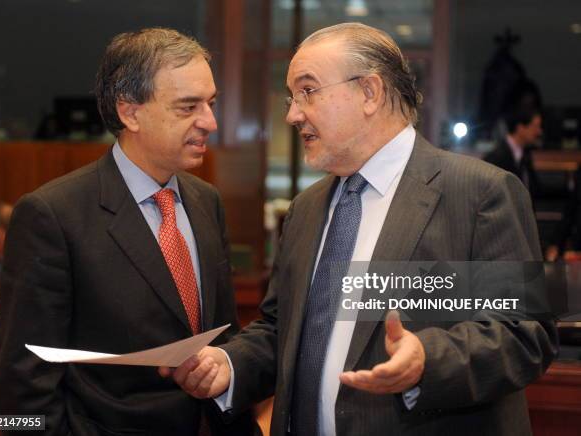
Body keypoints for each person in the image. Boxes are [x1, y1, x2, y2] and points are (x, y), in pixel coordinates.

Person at [170, 23, 558, 435]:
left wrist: (427, 359)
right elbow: (281, 329)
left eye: (307, 91)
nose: (292, 114)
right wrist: (229, 364)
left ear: (369, 92)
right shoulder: (305, 209)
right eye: (291, 96)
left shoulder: (479, 194)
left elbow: (521, 334)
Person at [0, 28, 256, 435]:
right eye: (188, 107)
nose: (211, 122)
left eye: (211, 103)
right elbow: (22, 380)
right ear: (130, 112)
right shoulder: (53, 215)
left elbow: (223, 334)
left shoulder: (206, 201)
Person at [484, 104, 543, 197]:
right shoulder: (496, 157)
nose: (539, 131)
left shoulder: (525, 154)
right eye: (535, 126)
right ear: (521, 128)